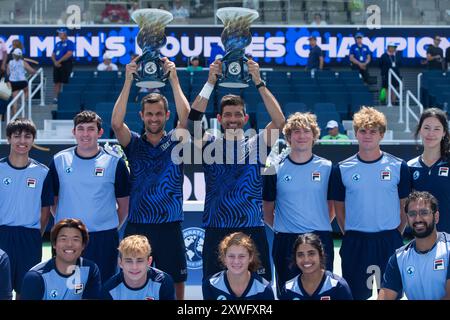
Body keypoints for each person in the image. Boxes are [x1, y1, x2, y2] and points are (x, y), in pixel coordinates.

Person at [187, 58, 285, 283]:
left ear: (245, 118)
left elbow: (280, 122)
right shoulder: (208, 144)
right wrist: (210, 82)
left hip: (252, 227)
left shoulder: (258, 143)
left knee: (259, 291)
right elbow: (192, 122)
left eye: (238, 114)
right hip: (216, 227)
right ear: (219, 119)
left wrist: (258, 82)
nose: (233, 119)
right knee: (214, 289)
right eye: (228, 115)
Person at [111, 56, 190, 300]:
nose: (154, 118)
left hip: (170, 225)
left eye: (158, 114)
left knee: (176, 284)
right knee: (131, 282)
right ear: (142, 116)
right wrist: (128, 81)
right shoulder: (133, 143)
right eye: (149, 114)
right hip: (138, 225)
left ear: (167, 115)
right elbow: (115, 123)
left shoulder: (177, 140)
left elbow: (188, 117)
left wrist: (174, 80)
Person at [330, 106, 410, 300]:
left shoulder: (398, 166)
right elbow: (339, 208)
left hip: (389, 240)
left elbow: (404, 206)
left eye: (373, 131)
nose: (367, 135)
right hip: (356, 241)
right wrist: (350, 232)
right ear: (356, 133)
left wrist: (394, 233)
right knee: (356, 296)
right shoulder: (342, 168)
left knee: (390, 295)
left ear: (381, 135)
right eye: (363, 131)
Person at [48, 111, 130, 283]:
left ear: (100, 132)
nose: (85, 134)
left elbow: (124, 206)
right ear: (74, 132)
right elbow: (53, 203)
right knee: (67, 288)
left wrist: (104, 226)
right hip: (68, 238)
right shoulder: (59, 160)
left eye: (91, 129)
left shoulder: (115, 162)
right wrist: (68, 227)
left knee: (102, 287)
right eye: (81, 129)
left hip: (103, 239)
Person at [263, 112, 335, 296]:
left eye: (306, 131)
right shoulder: (274, 167)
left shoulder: (327, 167)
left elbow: (332, 207)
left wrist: (315, 225)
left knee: (323, 294)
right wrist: (286, 227)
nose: (301, 136)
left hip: (320, 238)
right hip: (286, 240)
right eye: (296, 131)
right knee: (287, 293)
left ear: (314, 135)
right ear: (288, 137)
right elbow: (267, 209)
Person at [0, 118, 53, 299]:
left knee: (26, 291)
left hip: (29, 237)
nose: (22, 141)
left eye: (27, 136)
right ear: (8, 139)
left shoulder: (42, 172)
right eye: (17, 136)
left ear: (33, 140)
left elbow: (45, 211)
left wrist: (35, 236)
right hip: (2, 235)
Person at [379, 191, 450, 300]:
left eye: (424, 212)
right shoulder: (398, 258)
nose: (418, 219)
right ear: (407, 219)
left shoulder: (448, 249)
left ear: (436, 216)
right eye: (412, 214)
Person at [21, 218, 101, 300]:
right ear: (54, 244)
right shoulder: (35, 278)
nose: (69, 244)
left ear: (83, 245)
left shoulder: (90, 269)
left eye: (75, 239)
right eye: (63, 239)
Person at [408, 108, 450, 234]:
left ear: (444, 133)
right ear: (420, 130)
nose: (431, 133)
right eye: (426, 128)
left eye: (437, 129)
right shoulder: (410, 167)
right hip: (421, 241)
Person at [202, 232, 275, 300]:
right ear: (224, 258)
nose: (236, 261)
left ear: (250, 257)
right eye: (231, 256)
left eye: (242, 256)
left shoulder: (264, 288)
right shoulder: (210, 284)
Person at [280, 233, 353, 300]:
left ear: (320, 255)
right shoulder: (288, 289)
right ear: (295, 258)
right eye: (300, 255)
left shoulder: (338, 286)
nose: (306, 259)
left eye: (311, 253)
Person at [102, 235, 175, 300]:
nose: (134, 267)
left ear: (149, 262)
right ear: (120, 263)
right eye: (129, 261)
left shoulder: (163, 282)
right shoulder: (109, 289)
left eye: (140, 261)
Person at [6, 48, 36, 115]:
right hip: (22, 82)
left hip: (13, 82)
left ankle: (14, 115)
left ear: (13, 55)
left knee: (14, 99)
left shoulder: (9, 63)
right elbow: (31, 71)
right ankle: (23, 101)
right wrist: (35, 71)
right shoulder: (23, 62)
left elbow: (7, 74)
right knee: (27, 90)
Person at [51, 28, 74, 104]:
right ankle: (56, 98)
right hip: (57, 64)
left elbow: (69, 53)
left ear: (65, 34)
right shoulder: (58, 44)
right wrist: (55, 62)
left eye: (61, 33)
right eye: (59, 33)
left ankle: (65, 97)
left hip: (66, 64)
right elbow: (53, 54)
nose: (59, 35)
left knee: (65, 81)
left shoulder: (69, 42)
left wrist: (59, 61)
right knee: (57, 81)